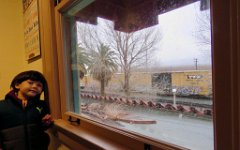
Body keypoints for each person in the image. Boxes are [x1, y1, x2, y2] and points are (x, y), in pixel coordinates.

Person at [0, 70, 53, 150]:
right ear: (17, 85)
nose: (35, 86)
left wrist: (46, 123)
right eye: (30, 83)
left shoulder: (42, 105)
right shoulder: (2, 106)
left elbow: (42, 126)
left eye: (39, 85)